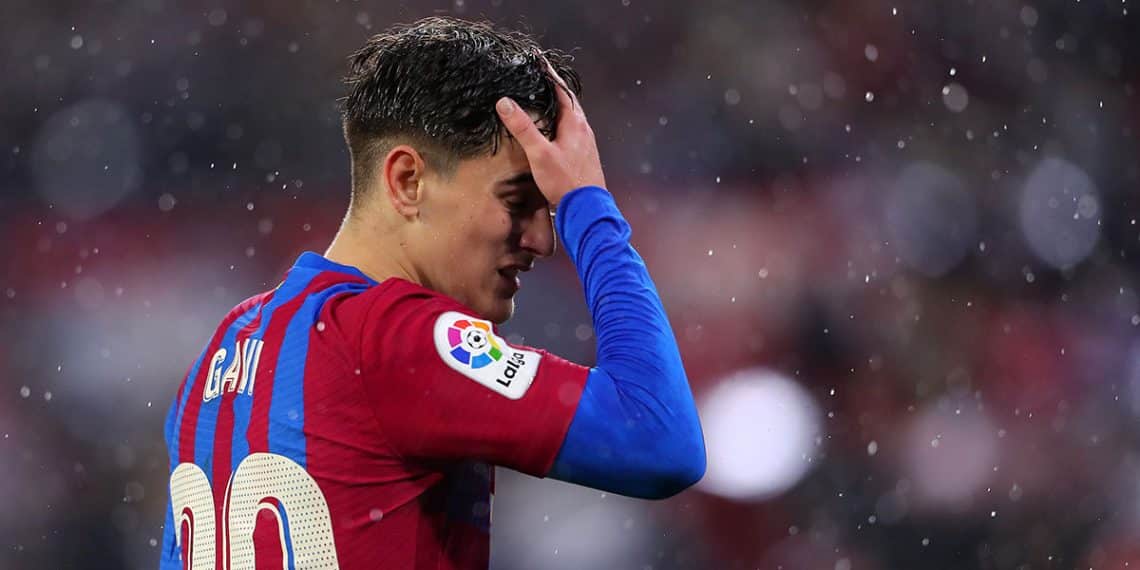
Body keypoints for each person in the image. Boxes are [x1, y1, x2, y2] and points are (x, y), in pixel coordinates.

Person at [159, 16, 705, 570]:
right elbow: (659, 440)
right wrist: (591, 210)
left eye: (555, 207)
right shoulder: (395, 338)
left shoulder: (220, 352)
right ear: (407, 181)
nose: (543, 239)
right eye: (520, 201)